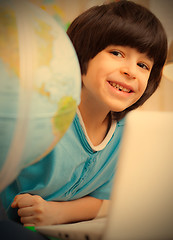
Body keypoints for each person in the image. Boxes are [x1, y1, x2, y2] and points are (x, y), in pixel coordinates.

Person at [0, 0, 167, 227]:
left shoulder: (127, 133)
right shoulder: (40, 109)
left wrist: (58, 212)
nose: (130, 71)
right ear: (80, 55)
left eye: (143, 65)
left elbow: (107, 200)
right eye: (117, 53)